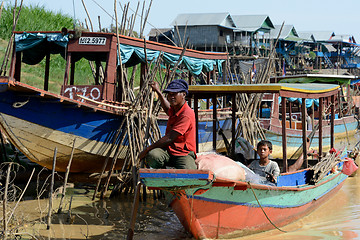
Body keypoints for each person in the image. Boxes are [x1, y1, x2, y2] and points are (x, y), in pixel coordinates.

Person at [139, 79, 197, 169]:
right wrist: (158, 91)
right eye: (169, 94)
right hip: (169, 150)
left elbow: (170, 137)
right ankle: (165, 170)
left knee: (189, 172)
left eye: (174, 94)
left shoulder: (186, 114)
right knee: (153, 156)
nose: (171, 97)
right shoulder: (175, 109)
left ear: (183, 95)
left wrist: (147, 149)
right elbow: (167, 109)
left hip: (183, 153)